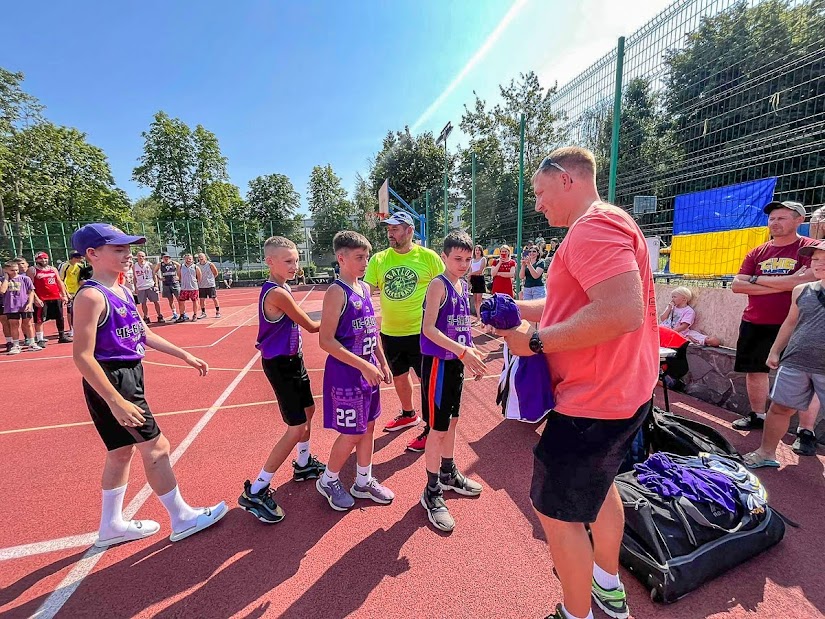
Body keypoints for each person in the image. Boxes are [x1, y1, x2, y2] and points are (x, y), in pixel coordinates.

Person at [497, 147, 659, 619]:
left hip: (593, 399)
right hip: (626, 390)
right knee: (602, 488)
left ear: (566, 179)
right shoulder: (610, 221)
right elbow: (574, 301)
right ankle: (608, 587)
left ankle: (575, 612)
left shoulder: (591, 227)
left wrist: (537, 342)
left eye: (540, 193)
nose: (538, 204)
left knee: (556, 512)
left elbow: (620, 312)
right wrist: (517, 312)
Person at [70, 223, 226, 546]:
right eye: (118, 249)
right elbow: (83, 357)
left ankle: (111, 525)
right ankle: (182, 518)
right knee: (157, 448)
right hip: (113, 379)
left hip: (125, 377)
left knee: (119, 452)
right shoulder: (90, 297)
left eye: (128, 248)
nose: (127, 254)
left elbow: (144, 333)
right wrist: (115, 400)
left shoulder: (123, 291)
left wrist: (185, 355)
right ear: (92, 254)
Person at [238, 236, 325, 524]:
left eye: (296, 259)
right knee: (296, 426)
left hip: (293, 359)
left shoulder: (283, 287)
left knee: (309, 411)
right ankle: (258, 489)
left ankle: (303, 463)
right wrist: (344, 317)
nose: (295, 265)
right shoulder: (277, 293)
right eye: (288, 261)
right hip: (280, 365)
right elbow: (312, 326)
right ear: (270, 262)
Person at [317, 231, 394, 510]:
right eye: (359, 257)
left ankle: (363, 480)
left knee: (370, 426)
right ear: (341, 258)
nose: (365, 262)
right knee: (352, 431)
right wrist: (362, 364)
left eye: (367, 257)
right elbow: (325, 340)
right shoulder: (337, 292)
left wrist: (381, 361)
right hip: (347, 372)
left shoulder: (364, 288)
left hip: (368, 369)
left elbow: (371, 330)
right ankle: (328, 479)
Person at [419, 231, 487, 532]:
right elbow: (429, 329)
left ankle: (448, 472)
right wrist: (461, 351)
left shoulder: (462, 284)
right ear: (443, 257)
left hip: (456, 364)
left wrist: (470, 354)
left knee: (453, 422)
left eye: (467, 259)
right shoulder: (438, 285)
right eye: (457, 258)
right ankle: (431, 491)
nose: (462, 264)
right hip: (439, 365)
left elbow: (461, 328)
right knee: (437, 429)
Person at [730, 201, 817, 431]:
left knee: (805, 377)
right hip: (755, 321)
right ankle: (758, 415)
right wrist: (786, 284)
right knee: (755, 371)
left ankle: (805, 431)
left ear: (799, 220)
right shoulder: (757, 251)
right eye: (772, 219)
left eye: (782, 218)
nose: (775, 223)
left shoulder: (810, 248)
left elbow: (807, 279)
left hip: (798, 325)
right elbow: (737, 286)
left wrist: (756, 280)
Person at [364, 210, 444, 452]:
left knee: (426, 381)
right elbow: (367, 288)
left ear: (410, 230)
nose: (390, 233)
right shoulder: (379, 259)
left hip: (422, 333)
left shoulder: (428, 257)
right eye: (388, 229)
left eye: (395, 229)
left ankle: (432, 427)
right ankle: (409, 414)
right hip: (390, 332)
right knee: (399, 377)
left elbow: (446, 287)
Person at [744, 239, 825, 466]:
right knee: (779, 408)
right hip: (796, 361)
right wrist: (775, 351)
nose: (818, 264)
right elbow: (790, 323)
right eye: (815, 259)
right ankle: (766, 453)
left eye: (824, 259)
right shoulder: (801, 290)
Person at [28, 251, 71, 345]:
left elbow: (59, 282)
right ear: (36, 260)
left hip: (55, 297)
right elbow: (30, 286)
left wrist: (63, 295)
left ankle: (62, 336)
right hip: (42, 298)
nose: (43, 260)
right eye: (41, 258)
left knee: (59, 317)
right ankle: (40, 339)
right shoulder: (32, 270)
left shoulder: (53, 269)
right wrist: (36, 299)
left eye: (45, 258)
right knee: (39, 319)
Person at [0, 260, 39, 354]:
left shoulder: (25, 278)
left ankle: (32, 342)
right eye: (12, 270)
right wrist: (6, 278)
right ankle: (16, 345)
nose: (15, 272)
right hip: (11, 306)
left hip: (24, 305)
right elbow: (2, 291)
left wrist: (30, 303)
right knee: (14, 325)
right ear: (6, 270)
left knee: (28, 324)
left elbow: (31, 292)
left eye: (16, 270)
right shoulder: (2, 280)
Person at [133, 251, 164, 324]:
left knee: (155, 301)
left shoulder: (149, 264)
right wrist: (135, 288)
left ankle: (159, 315)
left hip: (150, 285)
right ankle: (146, 317)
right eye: (139, 256)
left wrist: (156, 285)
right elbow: (134, 278)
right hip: (141, 287)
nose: (141, 258)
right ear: (137, 257)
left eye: (142, 256)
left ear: (145, 257)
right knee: (143, 303)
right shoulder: (134, 266)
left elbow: (154, 275)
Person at [59, 251, 85, 338]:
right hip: (69, 291)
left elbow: (81, 278)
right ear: (74, 258)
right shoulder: (65, 266)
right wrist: (65, 293)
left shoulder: (80, 266)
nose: (81, 260)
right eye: (79, 258)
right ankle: (72, 329)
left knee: (80, 310)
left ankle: (80, 327)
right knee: (70, 311)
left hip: (79, 290)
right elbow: (61, 280)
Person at [154, 254, 181, 321]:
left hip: (174, 283)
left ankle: (182, 313)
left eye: (167, 257)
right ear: (162, 258)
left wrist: (178, 276)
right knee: (170, 300)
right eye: (165, 257)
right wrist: (159, 278)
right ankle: (174, 313)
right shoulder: (160, 264)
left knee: (179, 299)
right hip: (166, 284)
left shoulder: (173, 263)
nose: (166, 258)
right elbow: (154, 272)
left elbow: (179, 266)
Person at [196, 253, 221, 319]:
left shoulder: (210, 264)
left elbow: (216, 273)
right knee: (202, 299)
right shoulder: (197, 265)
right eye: (199, 257)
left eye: (202, 257)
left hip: (210, 285)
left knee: (214, 298)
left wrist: (211, 279)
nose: (200, 258)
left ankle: (217, 311)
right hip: (201, 285)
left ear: (205, 257)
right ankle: (203, 313)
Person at [177, 254, 199, 322]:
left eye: (190, 259)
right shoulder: (181, 267)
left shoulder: (195, 267)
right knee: (181, 302)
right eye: (186, 258)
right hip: (184, 288)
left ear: (192, 259)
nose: (188, 260)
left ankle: (195, 315)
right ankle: (182, 315)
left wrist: (195, 283)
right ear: (184, 259)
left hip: (193, 288)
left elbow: (199, 276)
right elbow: (179, 276)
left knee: (195, 301)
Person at [468, 245, 487, 322]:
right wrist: (468, 281)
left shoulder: (483, 259)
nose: (477, 251)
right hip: (473, 279)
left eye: (479, 250)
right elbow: (470, 271)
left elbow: (480, 270)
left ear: (481, 251)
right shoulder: (472, 260)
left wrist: (470, 274)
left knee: (479, 299)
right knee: (475, 300)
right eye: (476, 250)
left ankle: (482, 316)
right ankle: (478, 317)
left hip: (479, 279)